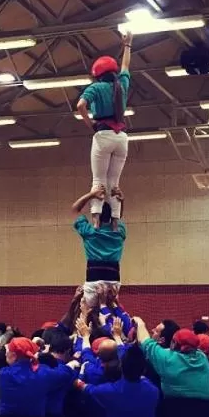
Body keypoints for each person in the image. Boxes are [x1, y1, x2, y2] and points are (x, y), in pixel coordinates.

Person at [76, 32, 132, 227]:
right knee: (113, 184)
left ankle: (96, 222)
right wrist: (127, 46)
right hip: (122, 137)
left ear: (96, 74)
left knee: (98, 180)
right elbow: (126, 66)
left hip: (103, 134)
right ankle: (115, 224)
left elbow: (80, 105)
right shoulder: (122, 84)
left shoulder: (96, 88)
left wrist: (89, 123)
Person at [68, 188, 126, 325]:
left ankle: (85, 339)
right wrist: (121, 202)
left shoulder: (90, 232)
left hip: (94, 280)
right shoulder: (119, 233)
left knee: (86, 315)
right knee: (110, 317)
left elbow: (75, 209)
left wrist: (91, 195)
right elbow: (118, 219)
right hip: (113, 280)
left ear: (96, 214)